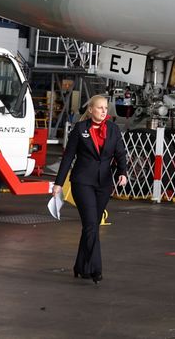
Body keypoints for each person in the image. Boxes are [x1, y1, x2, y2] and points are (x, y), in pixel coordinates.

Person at [53, 95, 129, 285]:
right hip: (82, 182)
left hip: (104, 184)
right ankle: (96, 268)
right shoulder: (80, 129)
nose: (104, 111)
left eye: (106, 108)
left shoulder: (113, 129)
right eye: (100, 108)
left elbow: (120, 153)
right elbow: (68, 157)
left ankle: (81, 266)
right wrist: (58, 183)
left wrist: (123, 172)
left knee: (91, 226)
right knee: (90, 225)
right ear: (91, 110)